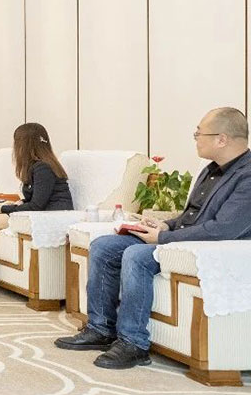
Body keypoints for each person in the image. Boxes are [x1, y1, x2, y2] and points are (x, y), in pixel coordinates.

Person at [55, 107, 251, 369]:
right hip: (181, 238)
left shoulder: (247, 176)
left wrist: (163, 237)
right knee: (103, 246)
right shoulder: (210, 170)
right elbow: (191, 217)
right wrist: (166, 224)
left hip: (207, 248)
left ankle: (133, 343)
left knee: (136, 255)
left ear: (222, 139)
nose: (195, 138)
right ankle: (100, 329)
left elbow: (222, 230)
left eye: (199, 133)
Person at [0, 122, 73, 298]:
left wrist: (5, 208)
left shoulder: (43, 167)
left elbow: (38, 205)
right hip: (41, 211)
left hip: (51, 215)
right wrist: (19, 203)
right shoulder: (36, 166)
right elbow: (36, 199)